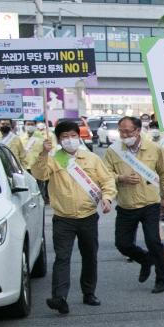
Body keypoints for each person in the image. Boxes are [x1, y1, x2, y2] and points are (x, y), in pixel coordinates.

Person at [32, 119, 117, 314]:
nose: (70, 140)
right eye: (65, 137)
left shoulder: (91, 159)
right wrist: (44, 153)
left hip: (87, 216)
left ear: (79, 137)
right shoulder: (53, 159)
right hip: (63, 218)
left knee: (89, 256)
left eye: (73, 136)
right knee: (62, 257)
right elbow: (40, 173)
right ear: (59, 140)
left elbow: (107, 181)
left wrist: (107, 198)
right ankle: (59, 297)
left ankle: (89, 293)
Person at [105, 116, 164, 294]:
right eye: (121, 131)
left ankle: (160, 279)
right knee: (122, 244)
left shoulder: (154, 148)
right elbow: (104, 175)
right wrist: (121, 178)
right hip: (126, 204)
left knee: (153, 241)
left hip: (150, 203)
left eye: (128, 131)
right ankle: (144, 260)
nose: (124, 134)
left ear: (137, 130)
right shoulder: (113, 151)